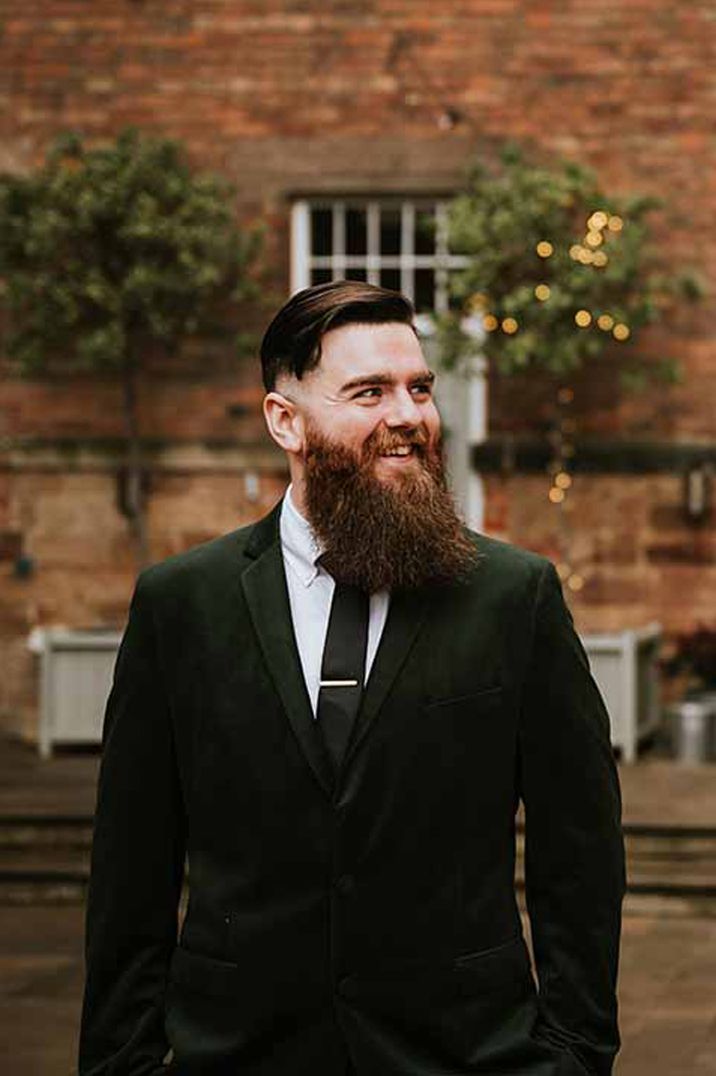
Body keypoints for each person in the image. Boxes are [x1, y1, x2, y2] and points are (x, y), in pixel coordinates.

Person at [79, 280, 626, 1076]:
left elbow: (579, 856)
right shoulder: (181, 604)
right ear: (285, 421)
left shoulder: (515, 596)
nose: (407, 415)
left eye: (419, 388)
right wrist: (121, 1063)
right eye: (369, 392)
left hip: (465, 1054)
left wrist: (574, 1056)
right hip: (236, 1054)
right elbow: (131, 868)